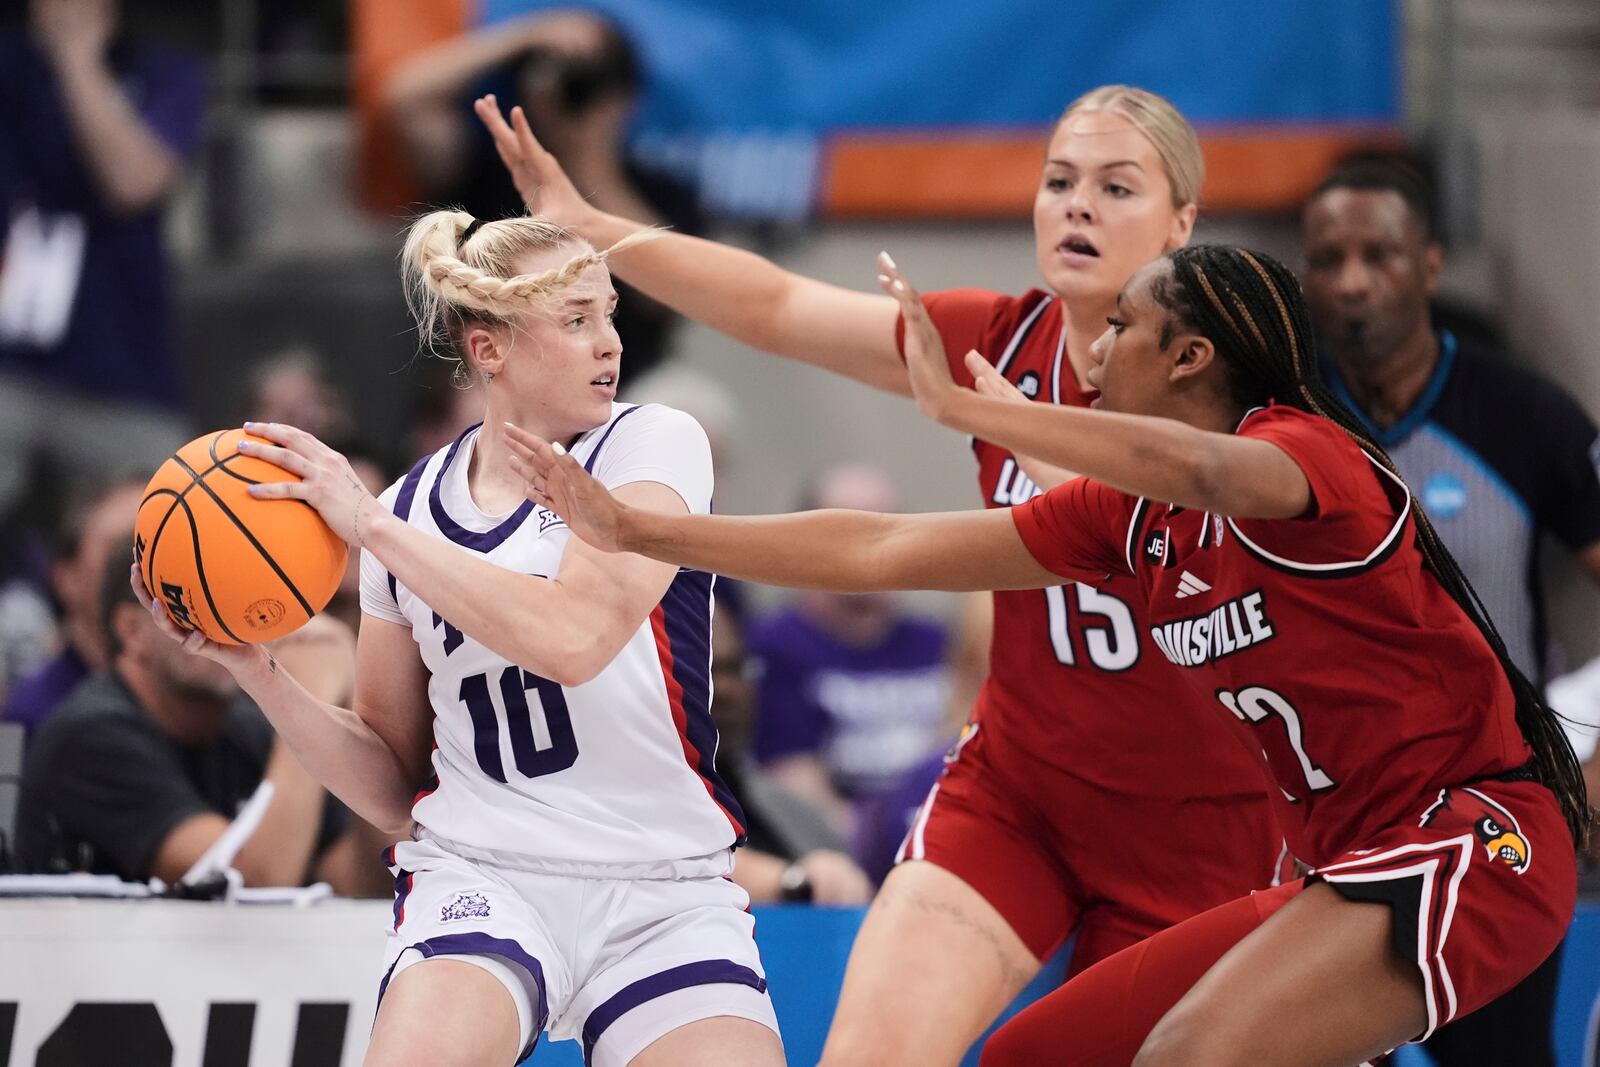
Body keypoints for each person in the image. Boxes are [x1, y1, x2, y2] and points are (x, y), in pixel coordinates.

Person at [508, 244, 1586, 1066]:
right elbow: (884, 545)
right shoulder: (1128, 520)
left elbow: (1201, 470)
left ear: (1191, 356)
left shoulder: (1305, 459)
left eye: (1122, 325)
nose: (1097, 347)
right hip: (1340, 862)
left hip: (1472, 838)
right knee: (1035, 1053)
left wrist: (976, 407)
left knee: (1183, 1056)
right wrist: (647, 531)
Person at [478, 86, 1286, 1064]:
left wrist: (1051, 462)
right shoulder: (998, 337)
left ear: (1182, 223)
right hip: (1020, 793)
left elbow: (1207, 560)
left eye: (1117, 187)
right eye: (1059, 181)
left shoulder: (1228, 390)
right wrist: (592, 228)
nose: (1077, 205)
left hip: (1201, 825)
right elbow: (776, 306)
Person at [132, 211, 783, 1067]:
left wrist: (368, 527)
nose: (609, 343)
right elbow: (397, 780)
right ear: (489, 351)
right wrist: (259, 671)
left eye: (611, 313)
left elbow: (576, 637)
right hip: (486, 876)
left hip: (663, 886)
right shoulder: (406, 510)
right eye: (577, 318)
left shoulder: (652, 445)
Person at [1301, 153, 1600, 1067]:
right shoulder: (1278, 420)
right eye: (1329, 258)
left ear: (1430, 264)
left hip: (1496, 809)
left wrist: (1588, 758)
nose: (1352, 281)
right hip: (1329, 810)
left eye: (1380, 255)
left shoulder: (1526, 416)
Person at [386, 9, 701, 386]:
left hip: (627, 383)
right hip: (500, 376)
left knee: (692, 402)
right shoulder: (489, 173)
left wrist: (589, 163)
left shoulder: (664, 191)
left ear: (624, 99)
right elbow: (403, 99)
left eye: (586, 84)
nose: (572, 100)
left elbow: (673, 295)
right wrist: (527, 36)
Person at [16, 545, 358, 889]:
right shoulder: (89, 735)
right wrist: (304, 701)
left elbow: (359, 878)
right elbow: (247, 881)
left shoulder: (245, 726)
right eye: (197, 603)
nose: (230, 623)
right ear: (132, 631)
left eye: (239, 597)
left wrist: (356, 695)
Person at [0, 0, 203, 518]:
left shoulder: (163, 69)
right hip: (9, 361)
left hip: (120, 368)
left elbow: (133, 180)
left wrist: (76, 61)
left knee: (174, 518)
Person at [748, 463, 952, 844]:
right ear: (802, 540)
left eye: (887, 527)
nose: (870, 546)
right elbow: (797, 791)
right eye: (848, 529)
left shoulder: (938, 643)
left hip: (940, 838)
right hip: (843, 858)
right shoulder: (775, 648)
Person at [712, 604, 874, 906]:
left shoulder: (795, 815)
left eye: (736, 669)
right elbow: (659, 858)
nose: (725, 690)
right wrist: (789, 882)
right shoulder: (622, 803)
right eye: (703, 670)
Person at [2, 475, 142, 738]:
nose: (142, 567)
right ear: (66, 577)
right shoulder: (29, 719)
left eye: (155, 545)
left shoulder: (205, 703)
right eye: (121, 550)